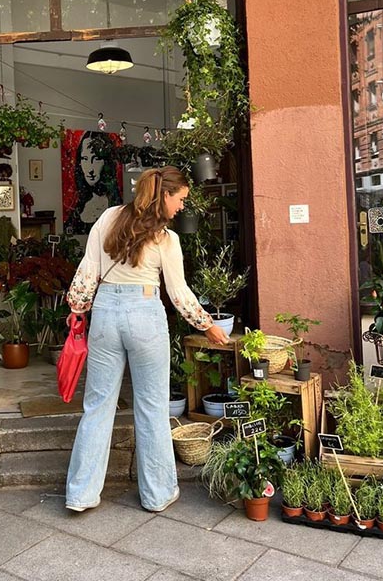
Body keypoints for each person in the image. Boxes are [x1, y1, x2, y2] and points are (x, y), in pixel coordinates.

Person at [64, 166, 230, 513]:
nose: (182, 206)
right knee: (152, 408)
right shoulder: (167, 240)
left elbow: (88, 270)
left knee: (97, 407)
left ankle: (80, 494)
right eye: (181, 199)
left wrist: (78, 309)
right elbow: (178, 292)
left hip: (106, 313)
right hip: (144, 314)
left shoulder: (109, 217)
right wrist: (207, 325)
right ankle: (156, 495)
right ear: (165, 195)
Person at [64, 130, 122, 234]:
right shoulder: (78, 207)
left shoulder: (115, 206)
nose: (90, 168)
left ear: (106, 162)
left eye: (96, 159)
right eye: (85, 159)